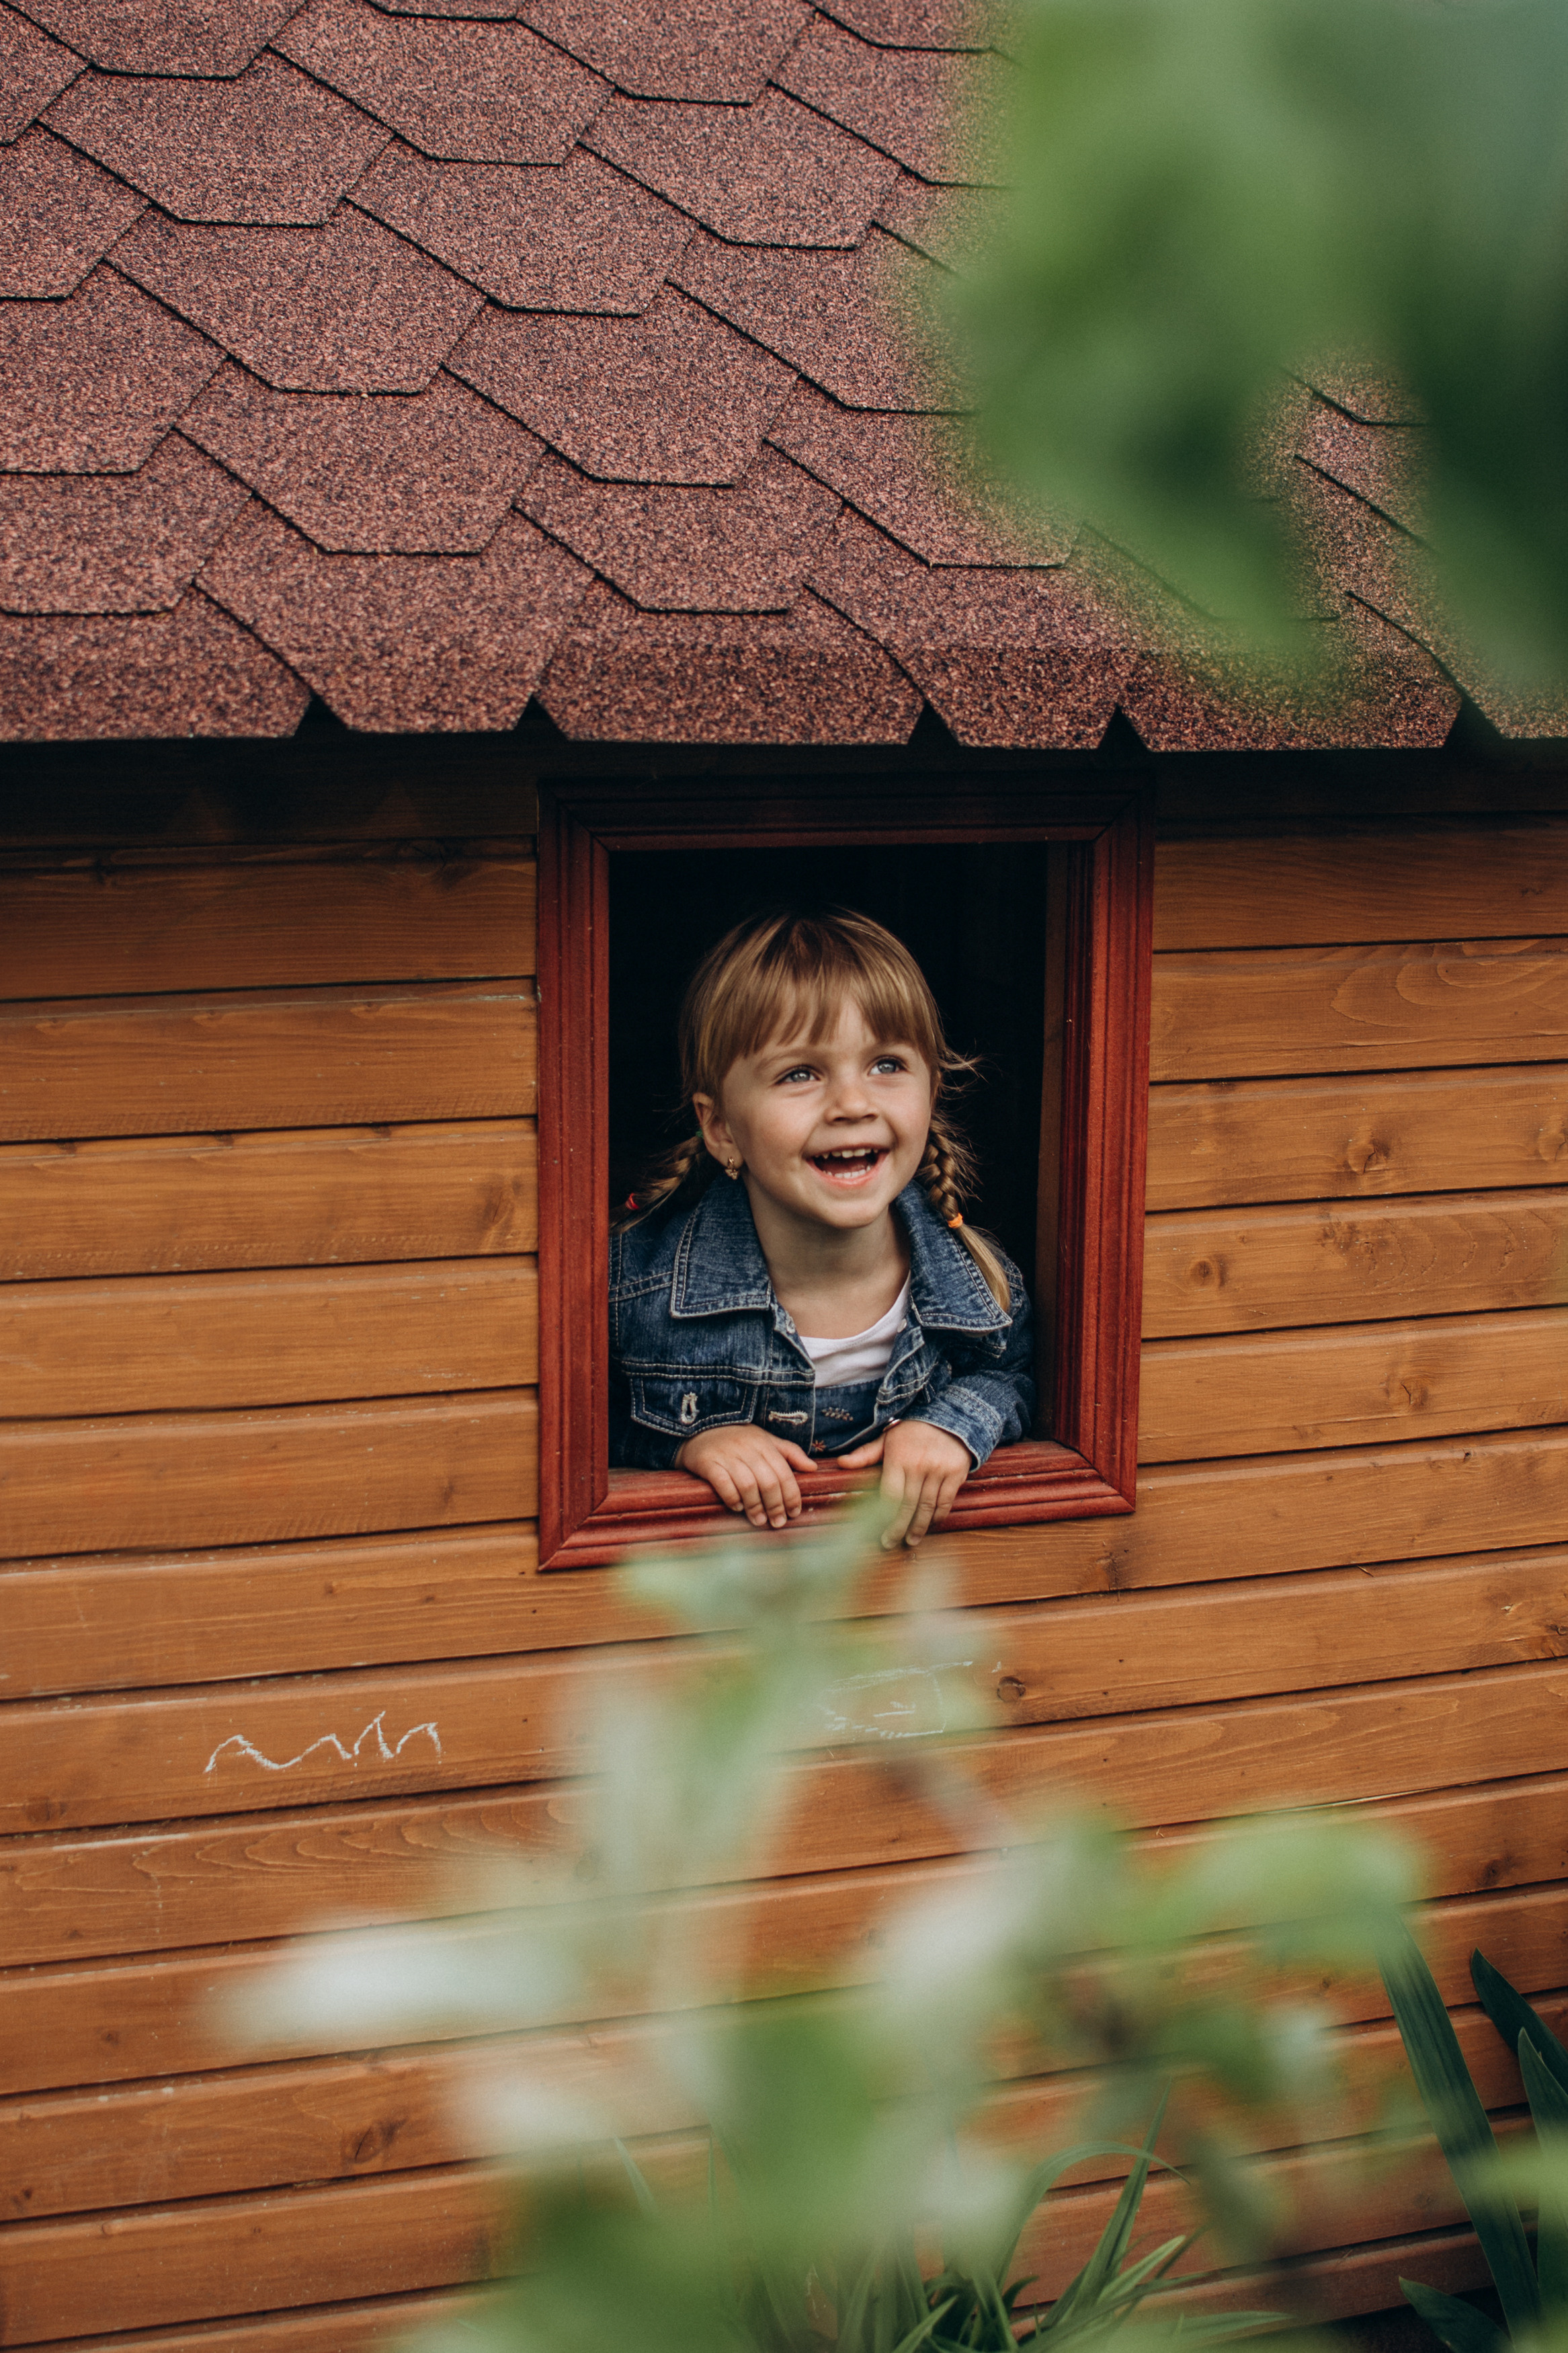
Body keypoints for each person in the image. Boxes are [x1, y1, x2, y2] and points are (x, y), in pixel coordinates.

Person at [610, 908, 1036, 1549]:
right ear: (721, 1126)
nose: (853, 1104)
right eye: (799, 1074)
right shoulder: (636, 1286)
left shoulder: (977, 1284)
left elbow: (1014, 1375)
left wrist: (952, 1425)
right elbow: (577, 1429)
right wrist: (687, 1444)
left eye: (886, 1065)